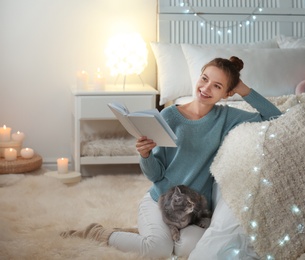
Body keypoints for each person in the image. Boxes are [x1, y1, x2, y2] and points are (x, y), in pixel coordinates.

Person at [61, 56, 282, 258]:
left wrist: (242, 88)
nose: (205, 88)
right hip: (159, 201)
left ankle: (146, 235)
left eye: (217, 86)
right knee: (158, 249)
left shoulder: (226, 117)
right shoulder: (169, 116)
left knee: (187, 249)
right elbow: (155, 175)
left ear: (226, 93)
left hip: (193, 213)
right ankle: (99, 233)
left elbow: (274, 117)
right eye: (204, 79)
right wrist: (145, 154)